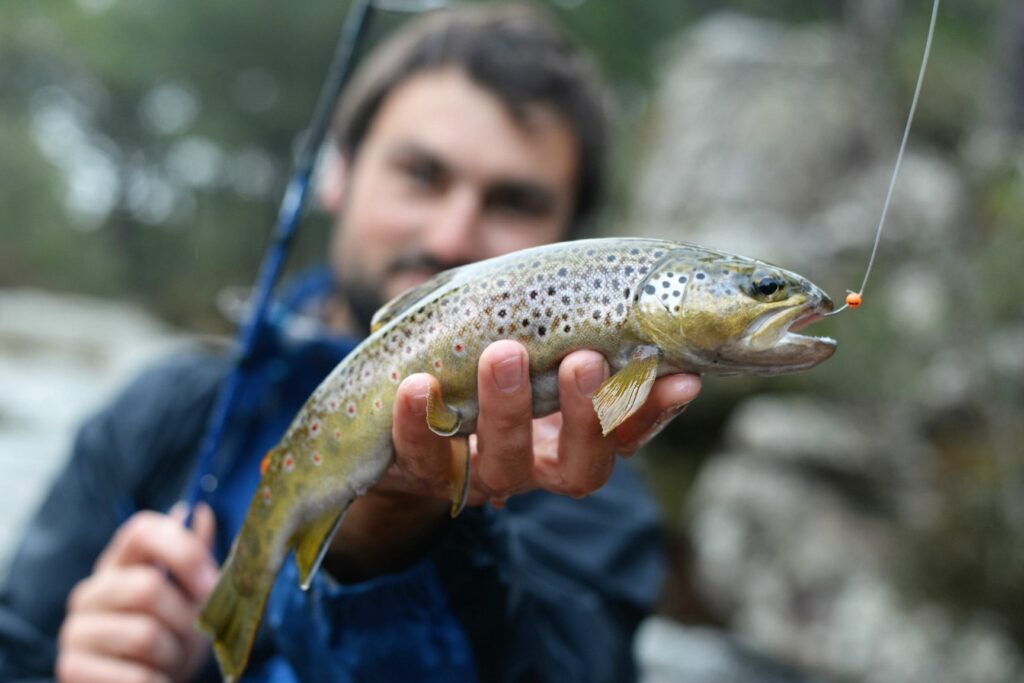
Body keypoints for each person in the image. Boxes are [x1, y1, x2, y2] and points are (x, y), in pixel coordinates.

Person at [0, 5, 701, 682]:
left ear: (572, 240)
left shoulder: (591, 482)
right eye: (421, 174)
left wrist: (400, 529)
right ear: (337, 173)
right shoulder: (161, 413)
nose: (452, 235)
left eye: (513, 201)